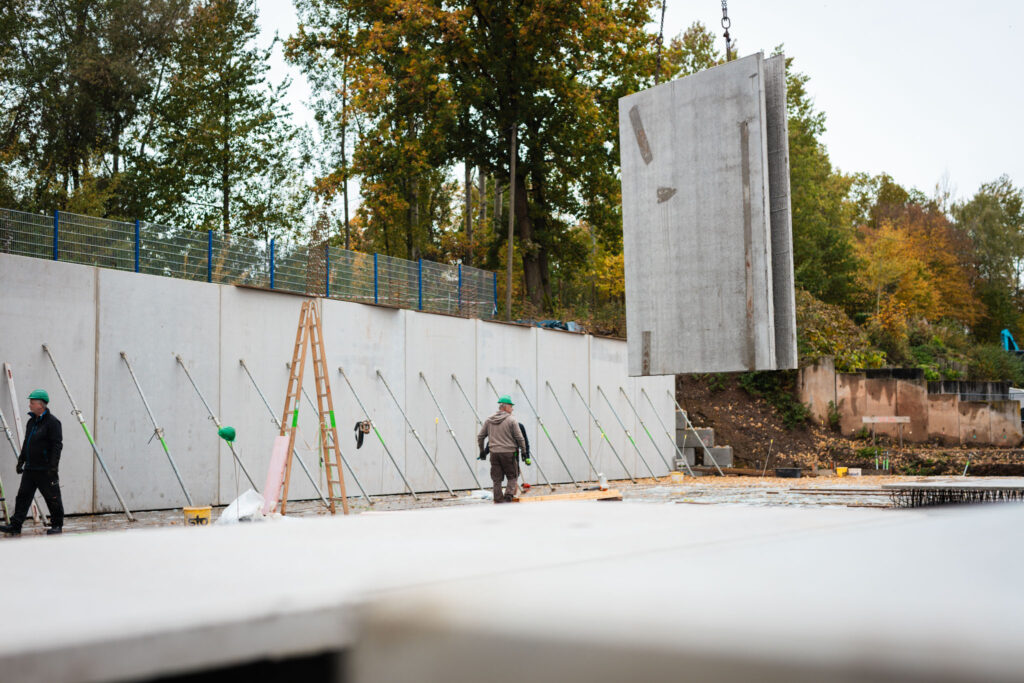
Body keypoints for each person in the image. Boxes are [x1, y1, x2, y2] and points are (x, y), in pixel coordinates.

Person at [0, 389, 64, 535]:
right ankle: (15, 526)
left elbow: (56, 446)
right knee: (22, 497)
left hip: (45, 469)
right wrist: (21, 460)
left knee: (52, 497)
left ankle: (57, 525)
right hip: (30, 469)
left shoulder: (53, 422)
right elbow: (27, 442)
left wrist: (53, 467)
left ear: (40, 405)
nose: (29, 405)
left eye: (32, 402)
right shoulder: (31, 422)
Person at [478, 395, 527, 503]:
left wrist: (482, 451)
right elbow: (520, 437)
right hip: (509, 453)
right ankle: (508, 496)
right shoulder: (511, 420)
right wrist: (524, 452)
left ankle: (498, 500)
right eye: (511, 406)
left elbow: (480, 436)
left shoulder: (489, 420)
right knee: (513, 476)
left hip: (494, 453)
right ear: (504, 407)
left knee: (496, 479)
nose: (512, 408)